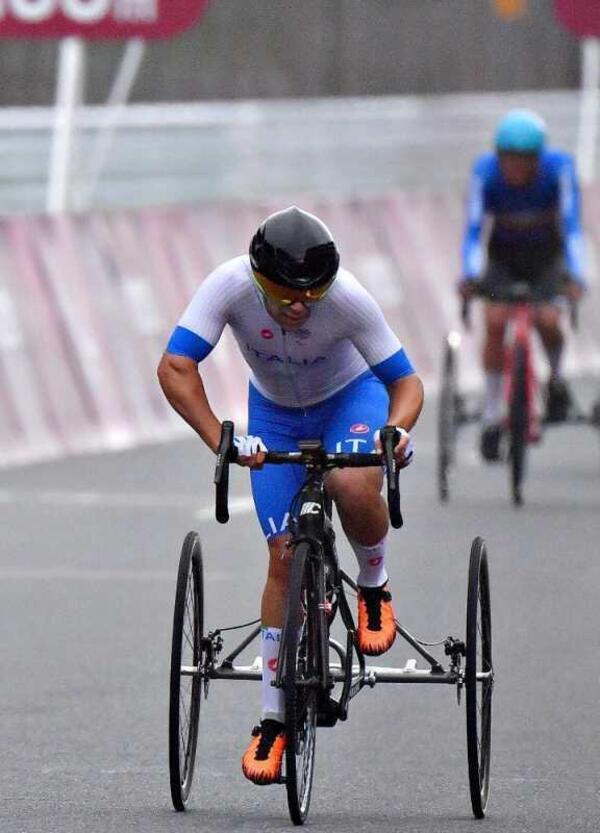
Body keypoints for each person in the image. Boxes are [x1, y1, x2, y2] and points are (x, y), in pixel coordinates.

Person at [157, 206, 423, 784]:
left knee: (350, 481)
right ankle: (273, 722)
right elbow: (176, 366)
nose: (301, 306)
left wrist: (395, 431)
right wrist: (221, 440)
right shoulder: (228, 286)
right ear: (258, 280)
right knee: (282, 556)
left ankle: (373, 586)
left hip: (351, 398)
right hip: (273, 415)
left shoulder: (349, 298)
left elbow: (406, 382)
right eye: (285, 294)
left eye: (313, 294)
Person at [459, 109, 587, 461]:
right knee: (496, 321)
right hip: (503, 257)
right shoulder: (485, 173)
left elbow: (573, 225)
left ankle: (556, 379)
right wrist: (468, 274)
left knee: (547, 319)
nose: (514, 169)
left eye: (524, 161)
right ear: (498, 157)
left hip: (546, 257)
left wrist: (577, 274)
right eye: (508, 160)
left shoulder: (558, 169)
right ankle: (490, 413)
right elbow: (473, 230)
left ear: (538, 159)